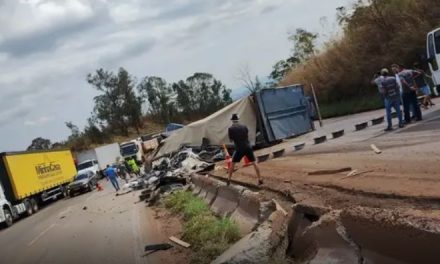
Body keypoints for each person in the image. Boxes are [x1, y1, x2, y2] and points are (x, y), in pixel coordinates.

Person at [227, 114, 263, 186]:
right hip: (247, 147)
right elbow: (246, 136)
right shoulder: (244, 126)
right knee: (254, 163)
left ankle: (228, 180)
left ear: (232, 121)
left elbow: (231, 140)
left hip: (239, 148)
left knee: (232, 164)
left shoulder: (230, 129)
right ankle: (260, 179)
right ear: (238, 120)